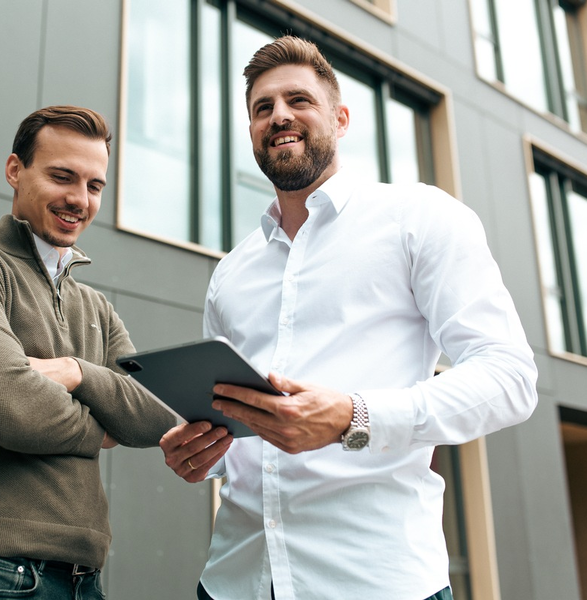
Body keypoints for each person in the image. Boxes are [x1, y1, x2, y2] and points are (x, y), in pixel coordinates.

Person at [159, 36, 538, 600]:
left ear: (340, 117)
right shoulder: (231, 273)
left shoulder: (419, 218)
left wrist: (352, 416)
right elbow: (240, 420)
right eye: (262, 108)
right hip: (234, 582)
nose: (279, 115)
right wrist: (204, 452)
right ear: (252, 133)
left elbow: (511, 378)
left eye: (298, 100)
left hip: (377, 579)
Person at [0, 105, 176, 600]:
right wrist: (103, 426)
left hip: (81, 577)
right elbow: (8, 409)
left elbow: (154, 415)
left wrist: (76, 374)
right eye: (62, 177)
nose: (79, 199)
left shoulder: (97, 306)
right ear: (15, 170)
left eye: (94, 186)